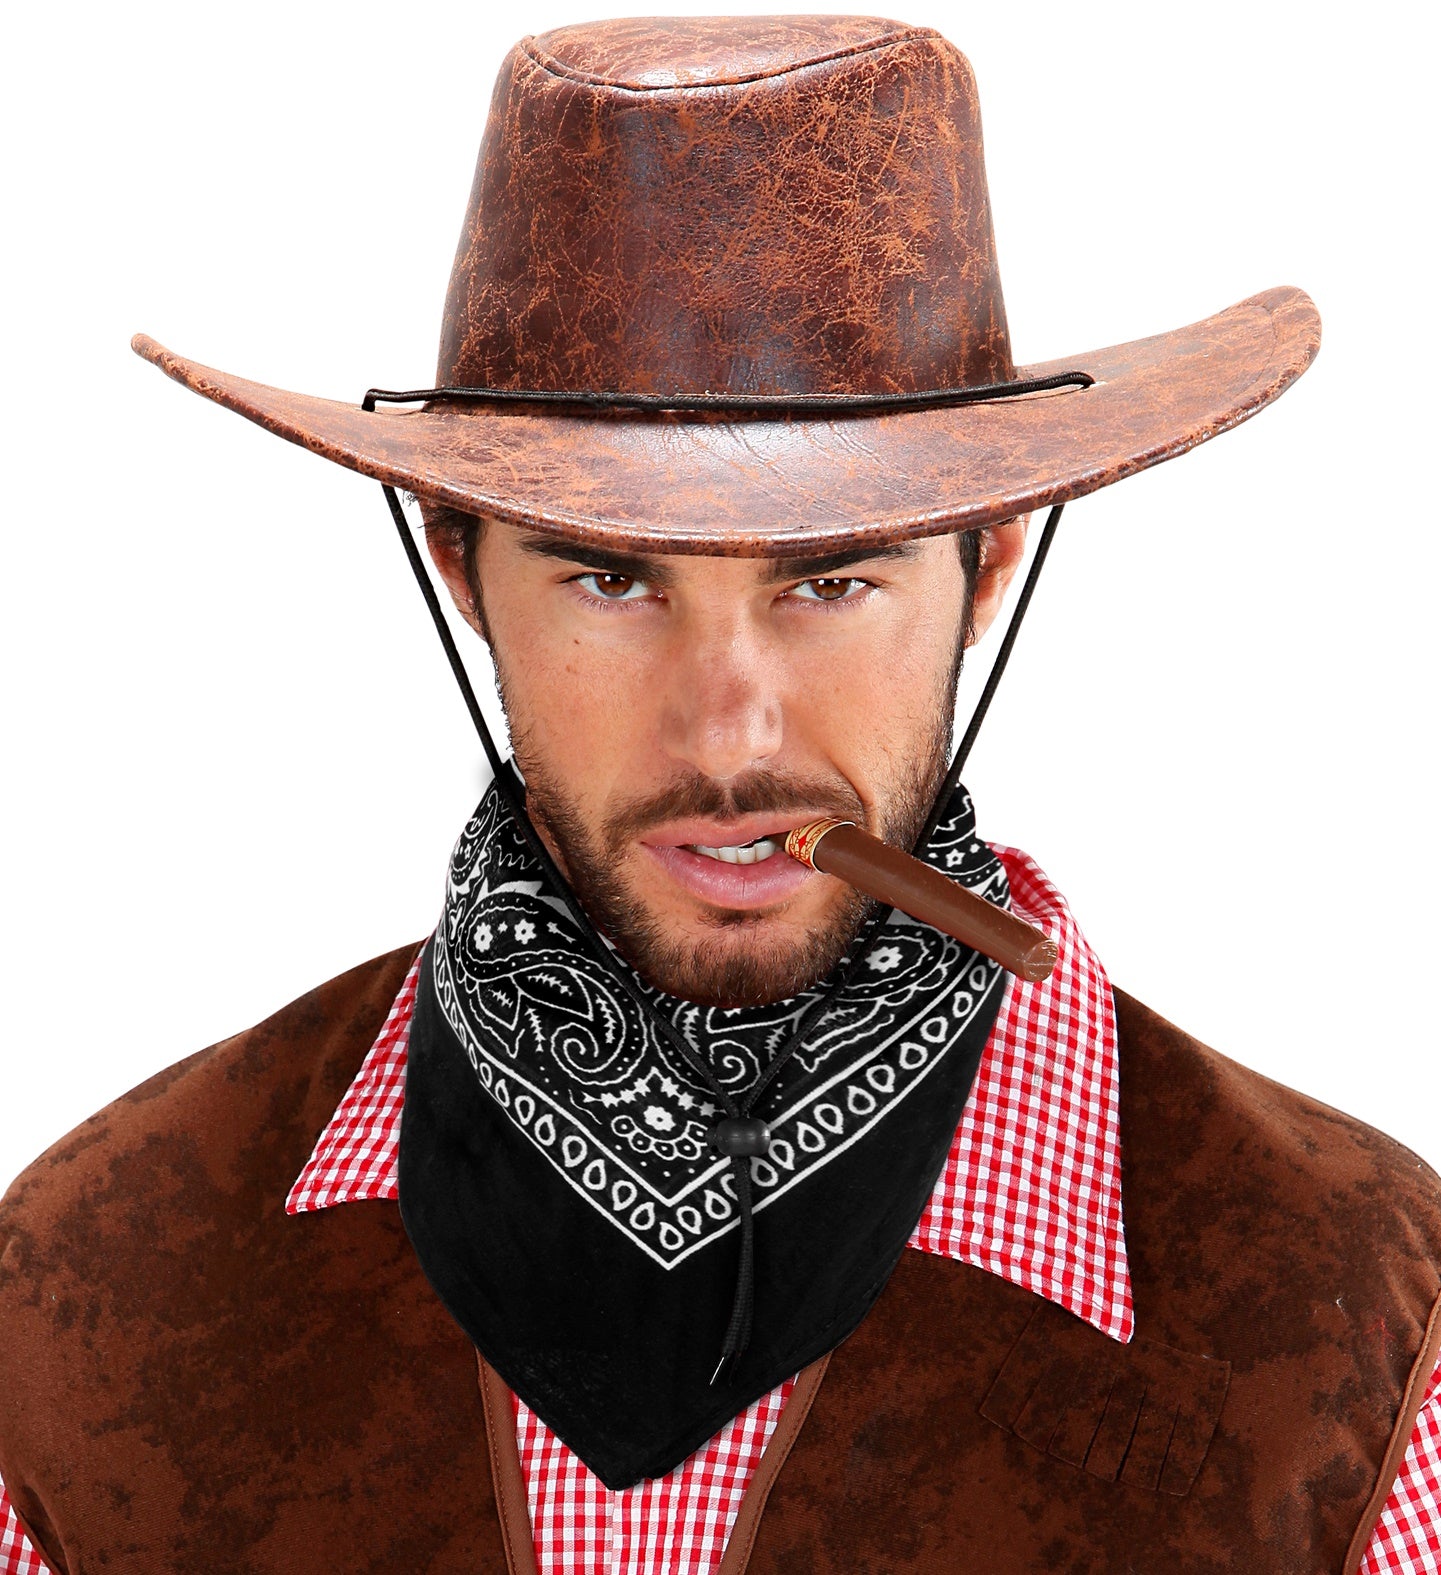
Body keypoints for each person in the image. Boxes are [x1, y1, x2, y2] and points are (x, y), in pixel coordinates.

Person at [1, 14, 1437, 1573]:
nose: (730, 730)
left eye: (828, 582)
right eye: (611, 580)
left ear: (986, 563)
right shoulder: (95, 1289)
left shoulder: (1363, 1334)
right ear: (459, 565)